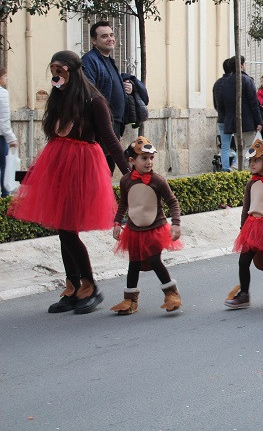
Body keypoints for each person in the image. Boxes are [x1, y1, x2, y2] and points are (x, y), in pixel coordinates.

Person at [9, 51, 130, 314]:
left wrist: (129, 174)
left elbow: (109, 139)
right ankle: (73, 286)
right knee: (62, 228)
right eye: (53, 69)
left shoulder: (94, 101)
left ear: (73, 71)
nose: (56, 74)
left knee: (67, 228)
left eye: (61, 69)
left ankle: (89, 287)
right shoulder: (59, 98)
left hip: (83, 168)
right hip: (58, 165)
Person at [110, 137, 182, 314]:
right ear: (132, 160)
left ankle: (171, 294)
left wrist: (176, 224)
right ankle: (130, 300)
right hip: (134, 230)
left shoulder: (158, 180)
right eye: (144, 158)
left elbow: (173, 202)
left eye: (151, 158)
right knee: (133, 263)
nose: (149, 162)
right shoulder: (126, 180)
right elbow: (123, 204)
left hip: (155, 229)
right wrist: (117, 222)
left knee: (154, 259)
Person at [225, 140, 263, 309]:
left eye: (256, 160)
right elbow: (246, 207)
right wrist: (242, 228)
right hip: (252, 228)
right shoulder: (251, 183)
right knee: (243, 262)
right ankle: (244, 294)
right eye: (250, 161)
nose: (252, 164)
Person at [81, 21, 133, 172]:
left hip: (114, 124)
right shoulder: (89, 60)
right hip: (101, 127)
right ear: (94, 41)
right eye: (104, 36)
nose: (110, 38)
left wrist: (126, 88)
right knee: (100, 170)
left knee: (108, 168)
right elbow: (89, 91)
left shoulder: (108, 59)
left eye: (111, 35)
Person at [217, 56, 263, 166]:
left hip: (233, 122)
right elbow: (254, 103)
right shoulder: (247, 80)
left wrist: (228, 116)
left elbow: (221, 105)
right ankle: (238, 167)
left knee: (240, 148)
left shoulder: (225, 83)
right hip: (247, 122)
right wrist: (259, 121)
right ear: (241, 65)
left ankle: (238, 168)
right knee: (248, 149)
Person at [0, 67, 18, 197]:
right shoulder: (3, 93)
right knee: (4, 166)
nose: (6, 79)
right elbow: (4, 119)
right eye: (5, 76)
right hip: (1, 136)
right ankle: (5, 197)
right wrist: (11, 138)